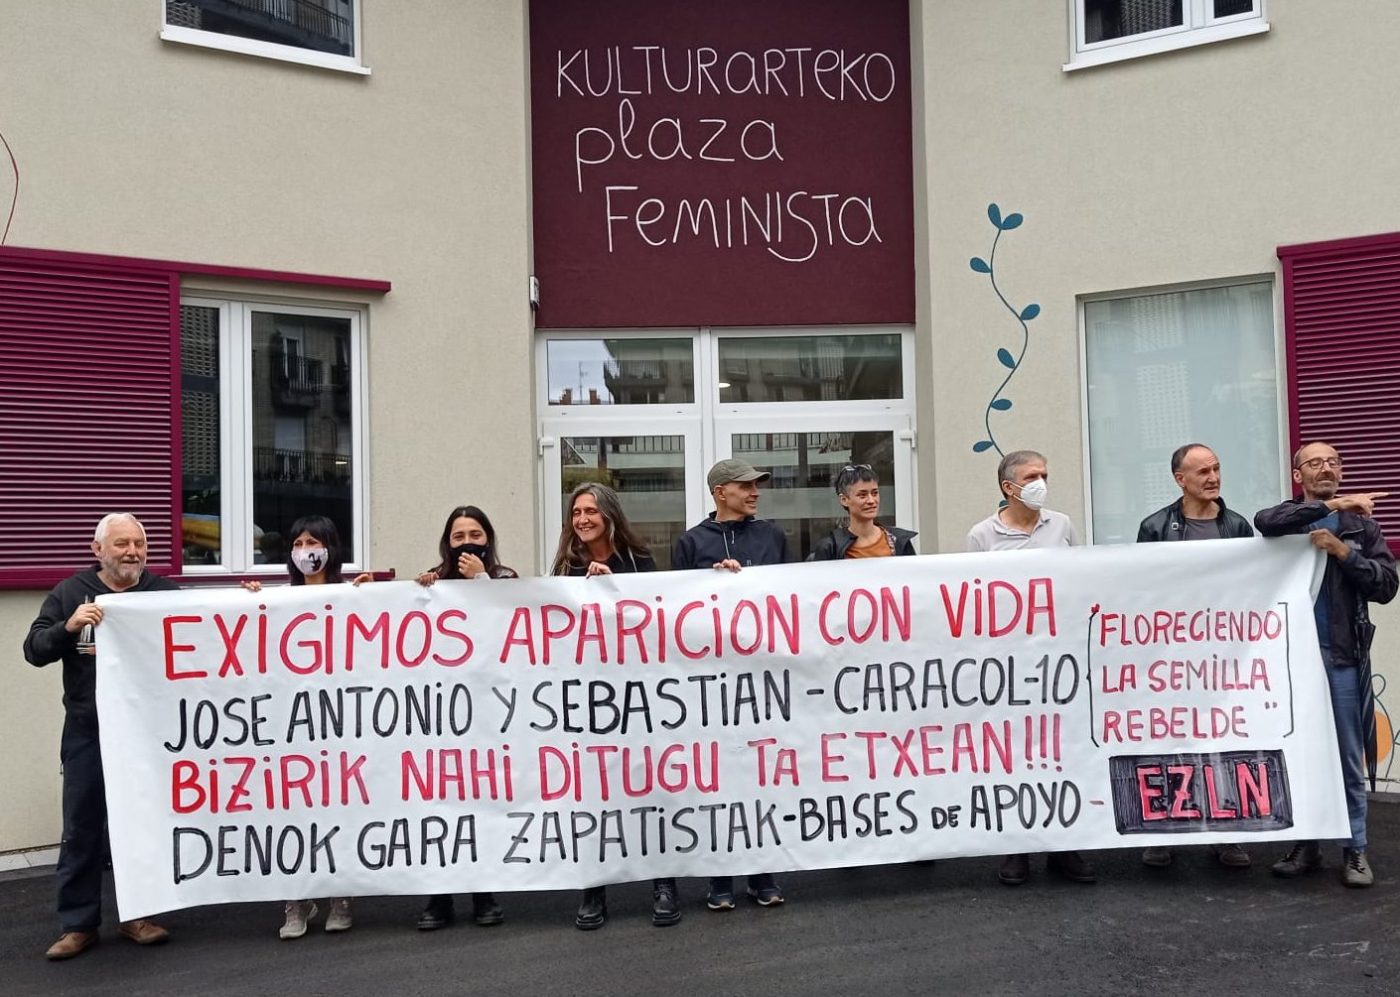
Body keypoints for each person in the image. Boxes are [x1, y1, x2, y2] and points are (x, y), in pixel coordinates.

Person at [23, 513, 178, 960]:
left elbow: (211, 630)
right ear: (98, 550)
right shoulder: (70, 593)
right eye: (122, 544)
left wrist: (251, 598)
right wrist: (69, 627)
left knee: (139, 825)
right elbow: (34, 650)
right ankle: (78, 925)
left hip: (148, 734)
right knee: (82, 827)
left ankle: (138, 916)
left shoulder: (164, 594)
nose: (132, 552)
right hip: (87, 734)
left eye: (139, 544)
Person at [1255, 442, 1397, 888]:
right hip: (1291, 662)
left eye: (1334, 462)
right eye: (1315, 463)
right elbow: (1264, 522)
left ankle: (1355, 848)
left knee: (1348, 757)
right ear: (1298, 475)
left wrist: (1344, 553)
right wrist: (1332, 507)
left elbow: (1386, 585)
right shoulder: (1289, 519)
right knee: (1298, 754)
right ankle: (1307, 844)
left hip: (1341, 657)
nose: (1326, 469)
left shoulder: (1361, 527)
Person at [550, 482, 681, 929]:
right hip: (589, 699)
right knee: (595, 793)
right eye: (576, 512)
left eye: (590, 511)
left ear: (608, 515)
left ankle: (663, 883)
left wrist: (615, 589)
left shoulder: (638, 561)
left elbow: (656, 618)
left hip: (639, 697)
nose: (582, 519)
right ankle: (594, 888)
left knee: (651, 788)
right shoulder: (565, 567)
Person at [965, 450, 1096, 887]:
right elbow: (975, 599)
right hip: (1009, 663)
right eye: (1033, 476)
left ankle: (1064, 846)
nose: (1042, 482)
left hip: (1059, 661)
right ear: (1009, 487)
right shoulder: (982, 535)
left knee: (1061, 751)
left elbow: (1081, 581)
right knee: (1016, 754)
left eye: (1045, 474)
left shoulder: (1062, 525)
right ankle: (1017, 846)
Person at [242, 516, 370, 938]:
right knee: (291, 812)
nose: (305, 550)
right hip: (291, 725)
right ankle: (295, 900)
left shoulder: (352, 596)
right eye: (298, 543)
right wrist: (249, 604)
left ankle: (340, 896)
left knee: (338, 810)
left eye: (313, 542)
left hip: (338, 724)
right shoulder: (278, 600)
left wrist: (373, 600)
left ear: (331, 547)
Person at [673, 458, 789, 910]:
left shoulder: (773, 537)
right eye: (745, 486)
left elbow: (792, 596)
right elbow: (676, 607)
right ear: (720, 492)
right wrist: (711, 586)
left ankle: (763, 873)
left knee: (761, 777)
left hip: (762, 677)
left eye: (756, 485)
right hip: (711, 681)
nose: (754, 492)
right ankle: (720, 877)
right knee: (717, 781)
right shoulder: (691, 543)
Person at [1137, 443, 1255, 869]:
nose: (1213, 477)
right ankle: (1164, 830)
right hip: (1170, 657)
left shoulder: (1237, 526)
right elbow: (1141, 591)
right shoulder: (1154, 527)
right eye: (1203, 471)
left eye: (1216, 468)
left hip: (1223, 658)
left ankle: (1225, 833)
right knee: (1168, 739)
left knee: (1223, 741)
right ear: (1180, 479)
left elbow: (1252, 586)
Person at [414, 505, 512, 930]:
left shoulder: (504, 579)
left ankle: (483, 893)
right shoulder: (433, 582)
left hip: (487, 712)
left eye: (475, 535)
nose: (467, 543)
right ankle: (440, 895)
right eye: (458, 537)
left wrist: (481, 581)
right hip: (441, 714)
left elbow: (509, 625)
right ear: (447, 543)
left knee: (481, 804)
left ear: (488, 539)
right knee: (442, 805)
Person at [809, 463, 917, 561]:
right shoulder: (831, 547)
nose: (871, 501)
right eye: (862, 495)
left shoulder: (899, 541)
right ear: (844, 500)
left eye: (875, 493)